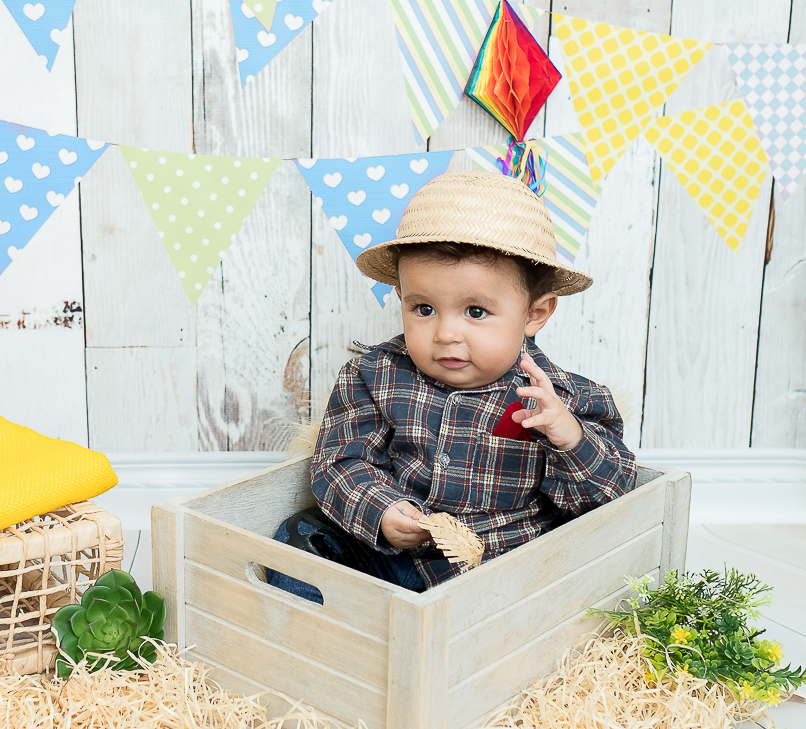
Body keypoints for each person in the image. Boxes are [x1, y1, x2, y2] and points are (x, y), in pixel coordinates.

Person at [268, 170, 636, 602]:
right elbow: (342, 460)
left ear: (535, 315)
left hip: (497, 565)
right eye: (423, 308)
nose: (445, 333)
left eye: (476, 312)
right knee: (300, 534)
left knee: (549, 580)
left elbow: (610, 500)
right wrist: (383, 512)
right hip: (392, 557)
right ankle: (325, 635)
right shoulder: (373, 376)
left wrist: (569, 437)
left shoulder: (563, 399)